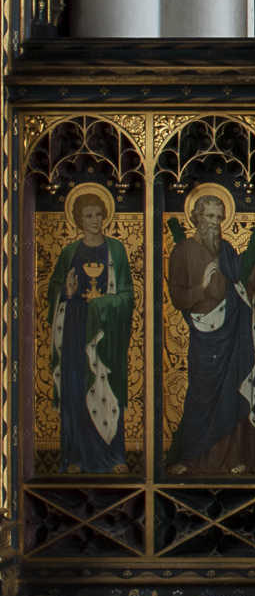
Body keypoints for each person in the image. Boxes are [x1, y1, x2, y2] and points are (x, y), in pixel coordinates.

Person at [166, 188, 255, 474]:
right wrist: (201, 288)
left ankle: (233, 458)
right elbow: (176, 298)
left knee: (231, 393)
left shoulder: (225, 250)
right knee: (201, 395)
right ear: (196, 217)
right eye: (209, 216)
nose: (215, 222)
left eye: (219, 217)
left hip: (233, 332)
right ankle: (192, 460)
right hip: (204, 337)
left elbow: (244, 283)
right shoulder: (182, 251)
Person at [47, 188, 135, 473]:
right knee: (76, 390)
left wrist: (103, 305)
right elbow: (53, 291)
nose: (95, 220)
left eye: (98, 214)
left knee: (105, 389)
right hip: (74, 330)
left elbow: (127, 295)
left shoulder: (116, 250)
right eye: (88, 215)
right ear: (78, 220)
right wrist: (66, 292)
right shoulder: (69, 252)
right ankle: (75, 457)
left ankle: (112, 457)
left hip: (105, 335)